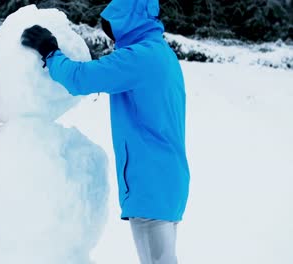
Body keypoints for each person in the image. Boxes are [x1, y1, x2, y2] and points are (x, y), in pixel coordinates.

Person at [21, 0, 190, 263]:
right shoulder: (158, 53)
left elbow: (80, 79)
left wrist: (50, 51)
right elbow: (112, 72)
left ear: (127, 22)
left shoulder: (139, 58)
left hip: (150, 183)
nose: (111, 37)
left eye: (112, 29)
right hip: (166, 179)